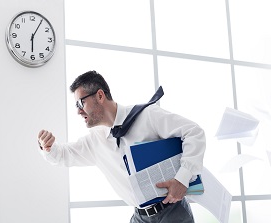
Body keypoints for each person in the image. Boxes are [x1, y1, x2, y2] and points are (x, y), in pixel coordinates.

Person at [38, 70, 206, 223]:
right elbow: (63, 155)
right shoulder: (95, 142)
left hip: (173, 213)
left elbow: (194, 133)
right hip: (140, 217)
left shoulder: (147, 116)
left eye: (80, 103)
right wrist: (48, 147)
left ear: (100, 96)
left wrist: (182, 179)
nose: (78, 111)